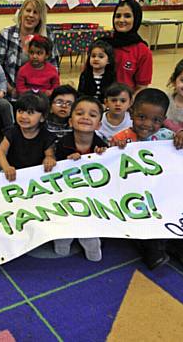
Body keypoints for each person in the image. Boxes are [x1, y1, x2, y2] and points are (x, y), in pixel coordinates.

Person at [111, 88, 183, 273]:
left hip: (163, 189)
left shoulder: (167, 136)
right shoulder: (120, 139)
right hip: (135, 195)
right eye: (141, 117)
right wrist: (113, 149)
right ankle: (151, 246)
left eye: (156, 120)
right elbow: (109, 165)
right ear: (131, 113)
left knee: (180, 205)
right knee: (141, 215)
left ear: (163, 119)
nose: (147, 124)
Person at [54, 97, 107, 261]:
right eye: (79, 113)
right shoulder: (62, 143)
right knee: (65, 216)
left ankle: (89, 238)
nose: (85, 117)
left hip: (91, 195)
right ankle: (64, 236)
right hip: (66, 193)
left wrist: (101, 156)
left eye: (92, 115)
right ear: (70, 121)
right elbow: (53, 171)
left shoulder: (101, 145)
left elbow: (106, 171)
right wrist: (66, 161)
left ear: (98, 124)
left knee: (89, 218)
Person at [0, 0, 60, 95]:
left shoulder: (48, 35)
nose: (31, 15)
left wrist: (51, 92)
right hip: (12, 93)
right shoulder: (6, 34)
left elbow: (55, 68)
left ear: (41, 17)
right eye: (28, 10)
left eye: (35, 12)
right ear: (21, 12)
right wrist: (10, 90)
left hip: (42, 96)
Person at [0, 92, 57, 182]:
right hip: (13, 173)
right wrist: (6, 167)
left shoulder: (46, 136)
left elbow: (50, 155)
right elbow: (0, 151)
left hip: (36, 175)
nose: (23, 116)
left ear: (42, 117)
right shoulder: (12, 132)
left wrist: (49, 159)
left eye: (30, 113)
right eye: (20, 111)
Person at [108, 0, 153, 93]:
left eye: (127, 16)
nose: (121, 20)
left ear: (136, 19)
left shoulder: (143, 51)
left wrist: (127, 104)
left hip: (125, 103)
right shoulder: (104, 44)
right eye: (118, 16)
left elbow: (141, 87)